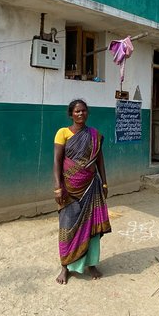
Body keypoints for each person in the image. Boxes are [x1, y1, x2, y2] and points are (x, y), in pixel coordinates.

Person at [53, 99, 111, 284]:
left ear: (87, 113)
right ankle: (65, 266)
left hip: (91, 187)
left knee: (92, 226)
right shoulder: (62, 133)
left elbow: (100, 160)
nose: (80, 114)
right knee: (67, 226)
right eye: (77, 111)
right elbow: (57, 162)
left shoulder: (94, 135)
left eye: (83, 111)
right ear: (71, 114)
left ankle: (91, 263)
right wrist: (57, 187)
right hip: (69, 189)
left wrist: (104, 183)